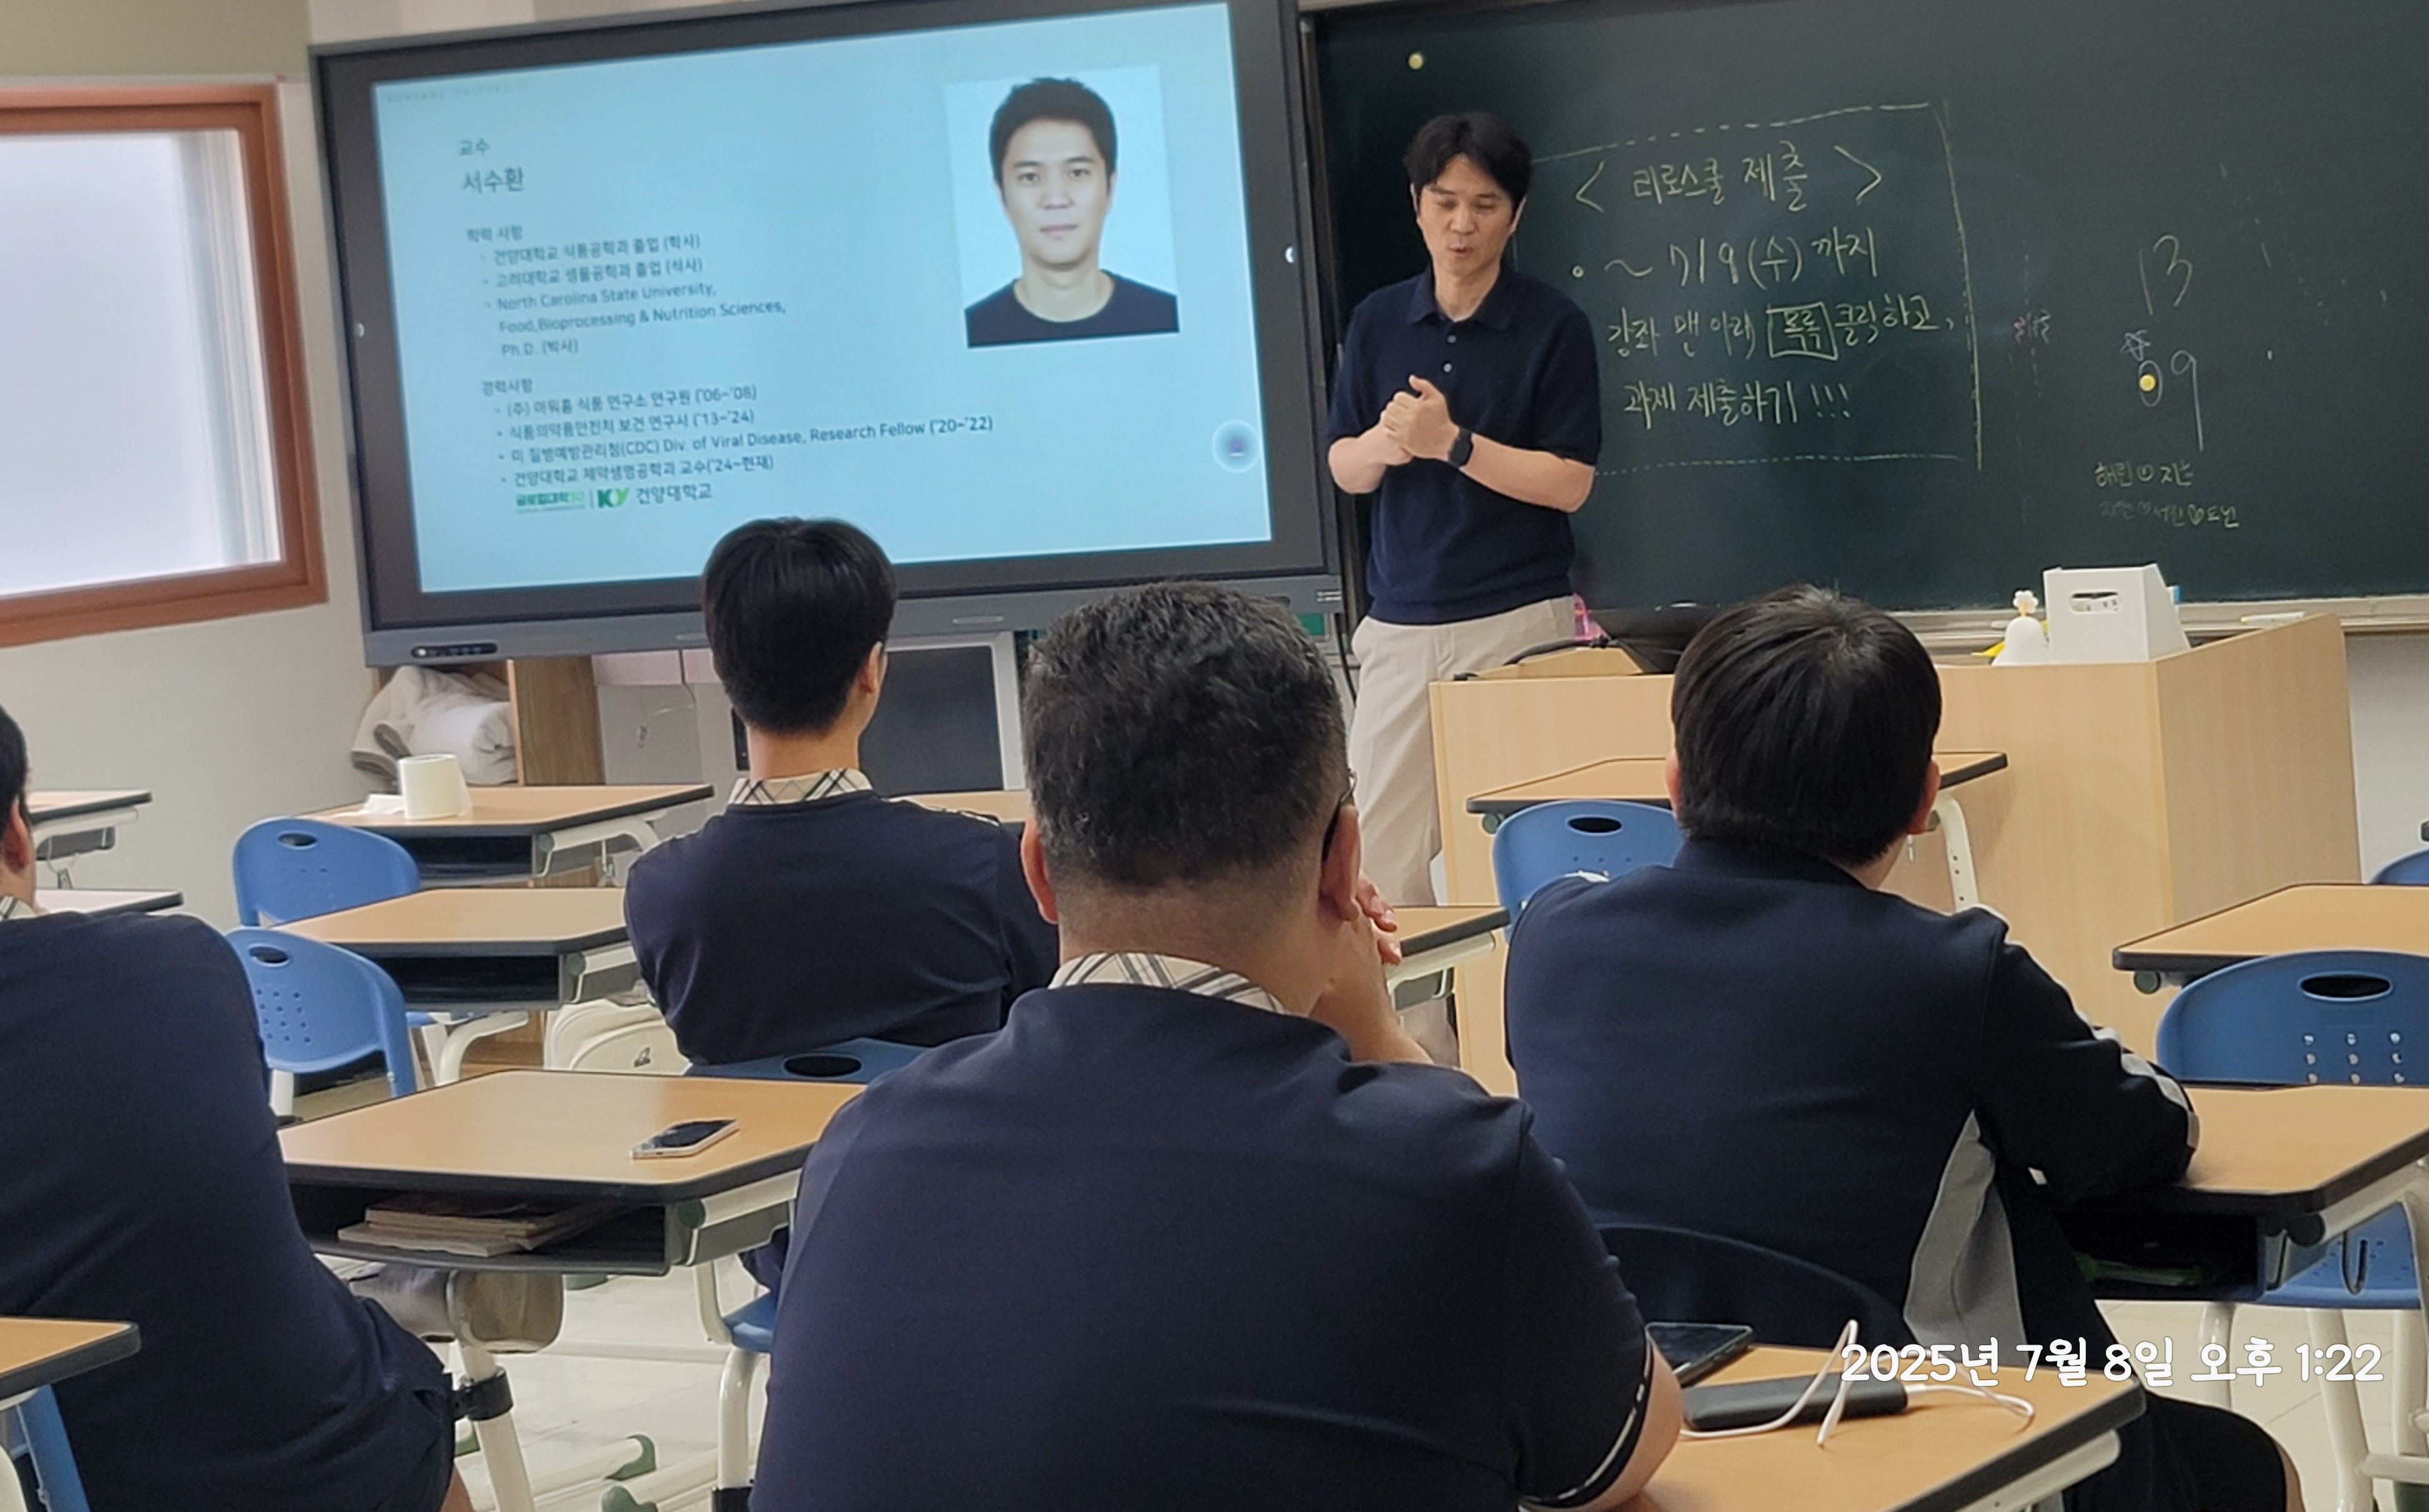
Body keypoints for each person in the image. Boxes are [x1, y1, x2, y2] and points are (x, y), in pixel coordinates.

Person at [751, 583, 1679, 1512]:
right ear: (1343, 866)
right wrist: (1381, 1038)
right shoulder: (1451, 1163)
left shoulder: (858, 1146)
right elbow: (1618, 1456)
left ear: (1036, 869)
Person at [1503, 587, 2302, 1512]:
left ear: (1675, 784)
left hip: (1626, 1434)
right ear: (1925, 799)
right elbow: (2141, 1140)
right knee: (2248, 1465)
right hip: (1914, 1436)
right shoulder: (1955, 972)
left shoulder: (1552, 934)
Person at [0, 704, 474, 1512]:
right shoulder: (181, 964)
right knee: (377, 1366)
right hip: (333, 1457)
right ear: (19, 835)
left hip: (63, 1480)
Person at [626, 517, 1056, 1070]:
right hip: (942, 1129)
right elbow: (1048, 1016)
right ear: (871, 670)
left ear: (721, 671)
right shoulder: (985, 864)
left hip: (748, 1133)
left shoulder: (660, 892)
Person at [1327, 111, 1602, 933]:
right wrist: (1387, 443)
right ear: (1417, 204)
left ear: (1516, 215)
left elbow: (1570, 483)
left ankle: (1519, 1011)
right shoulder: (1378, 321)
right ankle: (1415, 1020)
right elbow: (1344, 466)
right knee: (1382, 864)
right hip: (1402, 627)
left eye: (1484, 205)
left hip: (1518, 624)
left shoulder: (1554, 326)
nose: (1462, 225)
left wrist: (1453, 444)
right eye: (1445, 202)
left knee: (1525, 855)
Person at [962, 76, 1179, 346]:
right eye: (1030, 177)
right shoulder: (971, 333)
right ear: (1002, 196)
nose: (1055, 200)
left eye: (1077, 173)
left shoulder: (1168, 319)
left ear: (1110, 187)